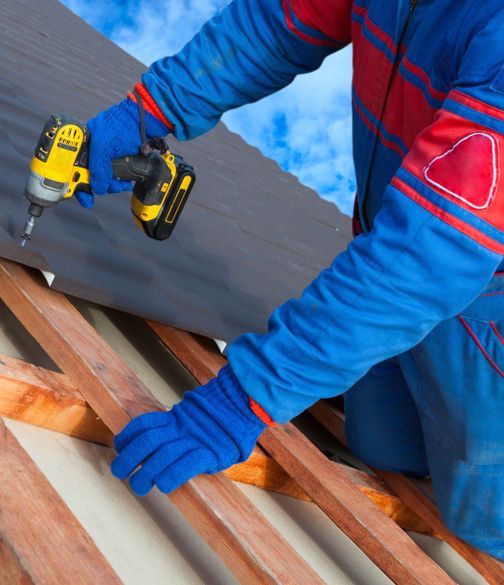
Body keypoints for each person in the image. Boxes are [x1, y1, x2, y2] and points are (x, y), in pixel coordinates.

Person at [83, 0, 504, 559]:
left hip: (480, 301)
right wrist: (150, 111)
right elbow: (275, 23)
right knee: (378, 445)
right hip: (398, 254)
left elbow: (426, 254)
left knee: (481, 520)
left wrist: (244, 398)